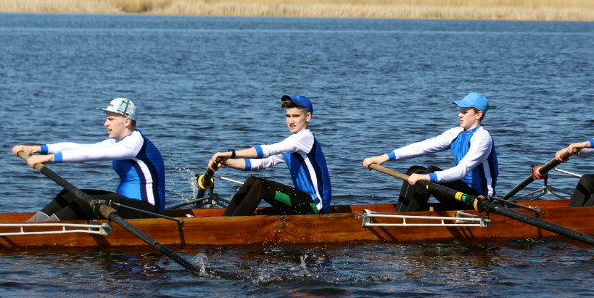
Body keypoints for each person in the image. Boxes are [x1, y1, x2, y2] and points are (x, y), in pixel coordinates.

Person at [12, 97, 166, 221]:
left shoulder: (134, 143)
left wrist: (49, 158)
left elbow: (91, 155)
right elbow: (79, 148)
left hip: (148, 211)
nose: (106, 124)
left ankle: (38, 233)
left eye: (111, 119)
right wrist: (36, 148)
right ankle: (29, 227)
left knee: (86, 202)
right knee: (71, 193)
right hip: (127, 204)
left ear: (127, 121)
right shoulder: (116, 142)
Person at [362, 92, 498, 212]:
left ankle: (407, 220)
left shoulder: (482, 138)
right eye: (460, 111)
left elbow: (461, 170)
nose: (459, 115)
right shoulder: (456, 133)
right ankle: (402, 215)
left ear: (478, 114)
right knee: (415, 170)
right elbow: (422, 147)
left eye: (464, 112)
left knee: (430, 171)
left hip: (478, 200)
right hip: (459, 194)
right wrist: (384, 157)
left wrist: (427, 177)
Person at [207, 95, 332, 216]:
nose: (290, 121)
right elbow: (260, 163)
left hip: (314, 207)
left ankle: (230, 226)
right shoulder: (291, 144)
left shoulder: (305, 137)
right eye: (288, 116)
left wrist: (232, 153)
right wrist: (224, 162)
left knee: (261, 186)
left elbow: (268, 150)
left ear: (308, 116)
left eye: (296, 116)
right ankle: (226, 221)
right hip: (303, 203)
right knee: (252, 181)